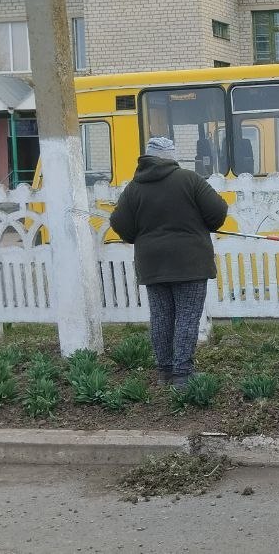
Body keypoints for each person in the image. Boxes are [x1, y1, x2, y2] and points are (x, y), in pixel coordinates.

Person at [110, 137, 228, 387]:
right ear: (171, 157)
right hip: (190, 262)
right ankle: (182, 375)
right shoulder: (190, 180)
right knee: (187, 316)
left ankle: (165, 373)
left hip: (152, 263)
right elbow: (217, 213)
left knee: (161, 317)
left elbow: (120, 224)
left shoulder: (134, 188)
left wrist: (141, 235)